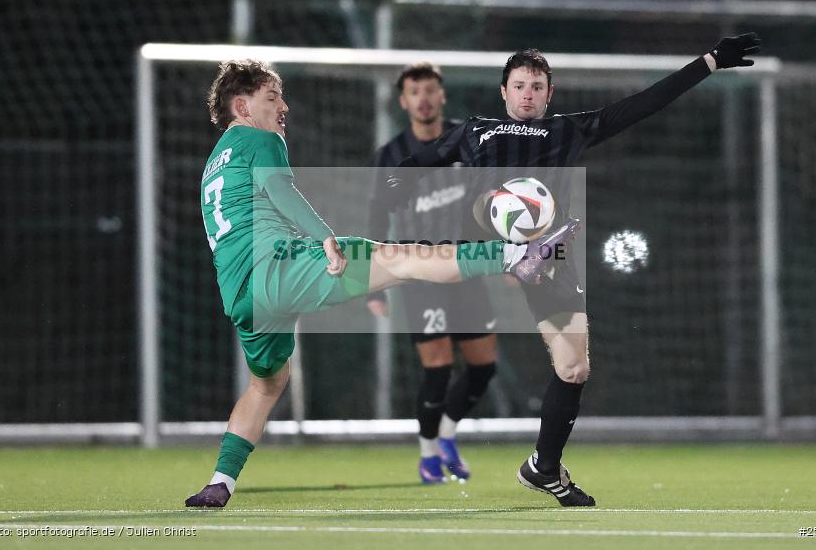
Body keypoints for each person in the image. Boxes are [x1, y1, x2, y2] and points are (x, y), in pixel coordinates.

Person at [387, 33, 763, 507]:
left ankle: (543, 467)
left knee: (574, 367)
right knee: (413, 289)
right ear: (503, 92)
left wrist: (706, 62)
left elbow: (643, 104)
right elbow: (412, 165)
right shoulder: (475, 131)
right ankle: (330, 268)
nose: (528, 93)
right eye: (519, 85)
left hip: (548, 260)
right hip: (484, 253)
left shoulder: (568, 129)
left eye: (537, 86)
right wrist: (394, 184)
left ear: (550, 93)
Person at [185, 59, 575, 508]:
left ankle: (220, 482)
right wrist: (324, 239)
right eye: (273, 97)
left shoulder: (215, 161)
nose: (283, 107)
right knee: (407, 258)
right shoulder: (260, 137)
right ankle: (516, 254)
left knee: (266, 386)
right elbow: (282, 191)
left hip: (242, 297)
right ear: (242, 105)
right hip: (281, 268)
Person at [367, 63, 499, 483]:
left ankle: (445, 433)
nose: (423, 98)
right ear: (403, 102)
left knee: (483, 367)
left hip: (468, 268)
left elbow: (496, 198)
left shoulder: (470, 139)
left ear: (441, 96)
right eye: (414, 92)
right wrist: (372, 284)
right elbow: (375, 218)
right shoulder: (390, 157)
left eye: (430, 90)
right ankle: (427, 455)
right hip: (420, 274)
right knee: (438, 366)